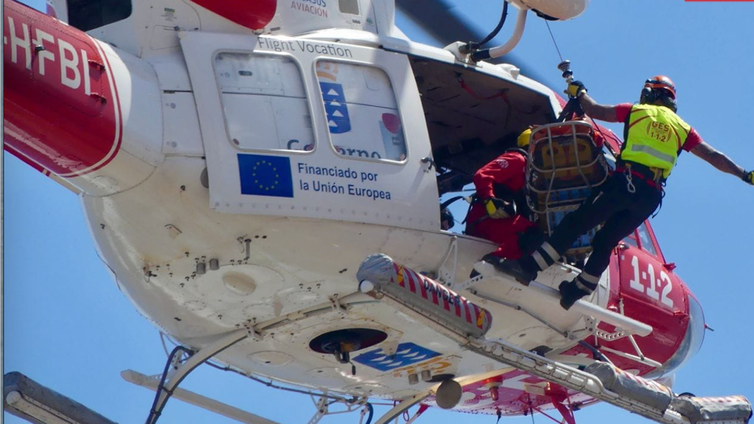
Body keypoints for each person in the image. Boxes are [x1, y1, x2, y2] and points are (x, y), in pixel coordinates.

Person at [488, 75, 754, 309]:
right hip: (650, 197)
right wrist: (744, 174)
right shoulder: (683, 129)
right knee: (605, 241)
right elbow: (714, 156)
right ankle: (577, 291)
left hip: (625, 184)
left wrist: (579, 93)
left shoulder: (637, 111)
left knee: (576, 222)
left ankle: (528, 268)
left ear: (649, 94)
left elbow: (594, 110)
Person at [466, 129, 539, 260]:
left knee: (536, 235)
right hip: (485, 220)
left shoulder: (530, 174)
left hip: (496, 224)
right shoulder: (518, 159)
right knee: (534, 234)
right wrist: (489, 199)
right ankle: (494, 260)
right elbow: (482, 175)